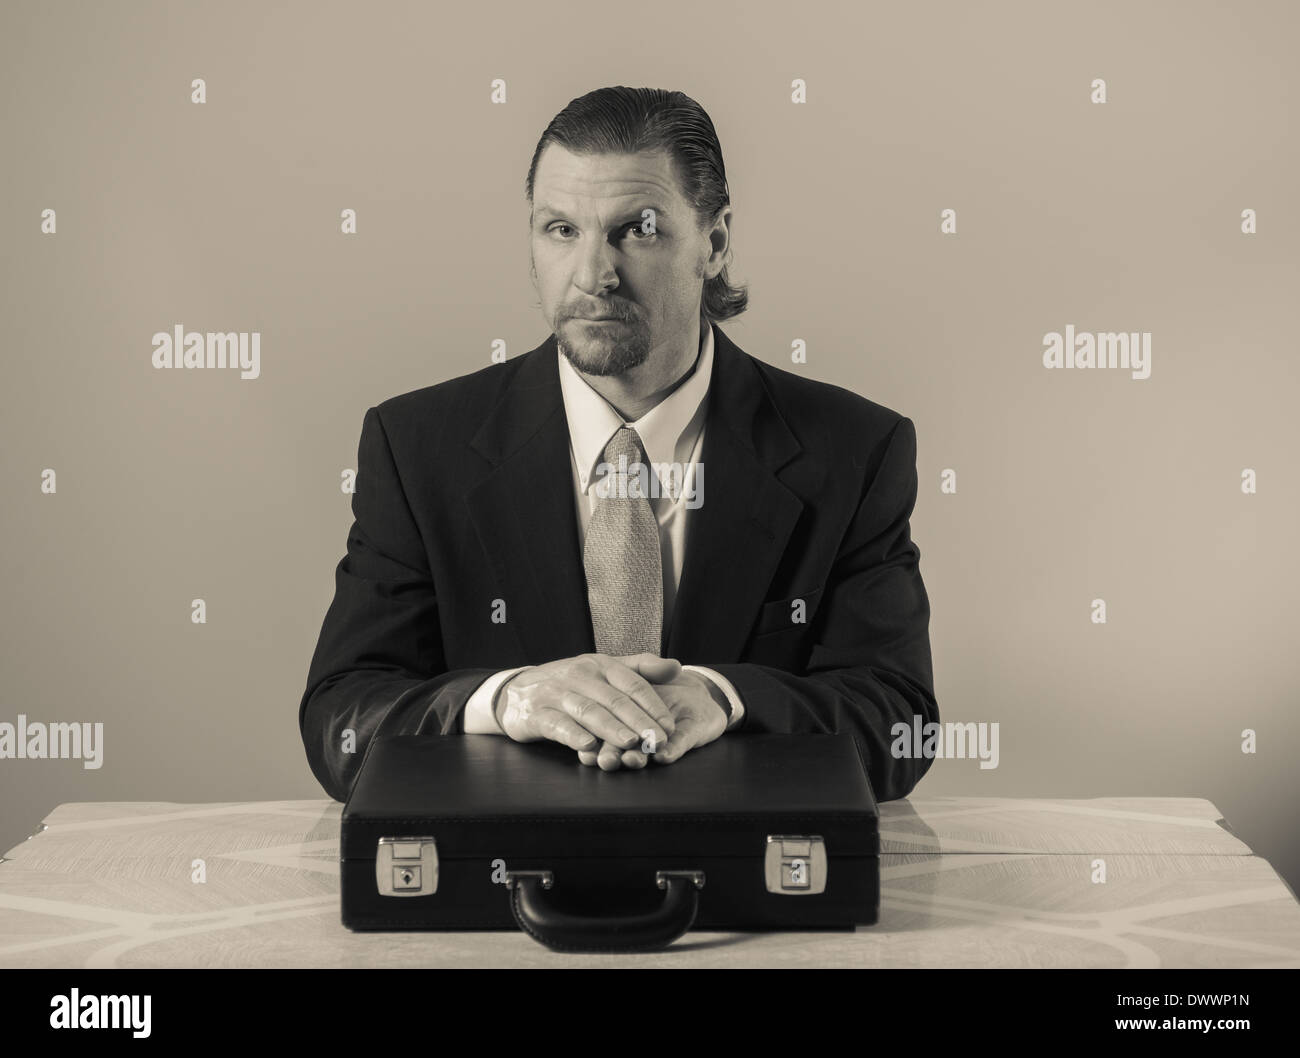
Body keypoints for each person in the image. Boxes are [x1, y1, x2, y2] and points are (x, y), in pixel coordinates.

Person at [299, 86, 939, 804]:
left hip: (747, 890)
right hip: (498, 896)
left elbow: (899, 719)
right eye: (561, 230)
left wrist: (723, 699)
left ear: (715, 242)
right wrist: (508, 701)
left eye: (636, 230)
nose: (593, 275)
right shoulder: (416, 449)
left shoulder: (854, 451)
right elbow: (340, 717)